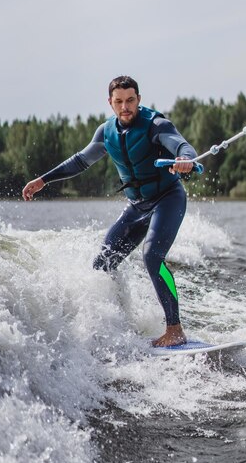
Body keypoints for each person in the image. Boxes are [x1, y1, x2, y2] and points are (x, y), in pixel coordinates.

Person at [22, 75, 197, 347]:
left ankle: (175, 328)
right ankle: (116, 323)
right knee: (102, 263)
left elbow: (181, 145)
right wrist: (43, 180)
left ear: (139, 99)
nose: (125, 107)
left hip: (167, 198)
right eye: (119, 102)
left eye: (130, 101)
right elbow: (80, 161)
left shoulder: (156, 125)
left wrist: (185, 159)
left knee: (152, 257)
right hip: (137, 206)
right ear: (110, 103)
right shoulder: (106, 132)